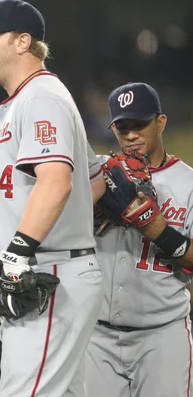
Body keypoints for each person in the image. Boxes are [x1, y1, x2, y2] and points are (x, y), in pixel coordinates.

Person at [0, 0, 104, 396]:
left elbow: (56, 182)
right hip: (48, 271)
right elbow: (94, 181)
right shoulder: (24, 101)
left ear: (23, 42)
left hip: (49, 275)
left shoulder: (40, 97)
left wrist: (16, 253)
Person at [85, 82, 193, 396]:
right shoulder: (99, 176)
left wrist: (158, 230)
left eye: (139, 125)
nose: (131, 135)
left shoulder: (187, 183)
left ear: (160, 122)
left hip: (163, 337)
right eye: (122, 127)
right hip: (98, 337)